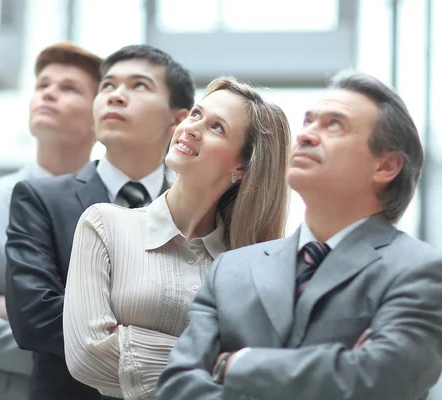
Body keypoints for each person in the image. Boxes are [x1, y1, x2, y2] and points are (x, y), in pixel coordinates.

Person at [156, 70, 442, 400]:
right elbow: (176, 387)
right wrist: (340, 366)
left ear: (385, 166)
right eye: (309, 122)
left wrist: (237, 365)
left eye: (334, 125)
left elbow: (380, 380)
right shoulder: (230, 269)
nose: (307, 135)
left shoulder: (421, 271)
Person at [62, 76, 291, 400]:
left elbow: (270, 379)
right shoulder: (104, 224)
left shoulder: (252, 268)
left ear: (241, 167)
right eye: (196, 114)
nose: (192, 127)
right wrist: (223, 366)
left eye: (217, 128)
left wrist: (129, 342)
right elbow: (87, 355)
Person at [4, 44, 195, 400]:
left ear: (178, 120)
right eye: (107, 86)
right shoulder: (41, 199)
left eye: (139, 86)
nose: (116, 96)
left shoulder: (198, 211)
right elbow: (35, 319)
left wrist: (96, 319)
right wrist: (184, 347)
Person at [0, 42, 102, 400]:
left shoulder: (120, 208)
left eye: (68, 88)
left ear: (99, 116)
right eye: (42, 85)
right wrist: (95, 357)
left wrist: (19, 314)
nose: (48, 94)